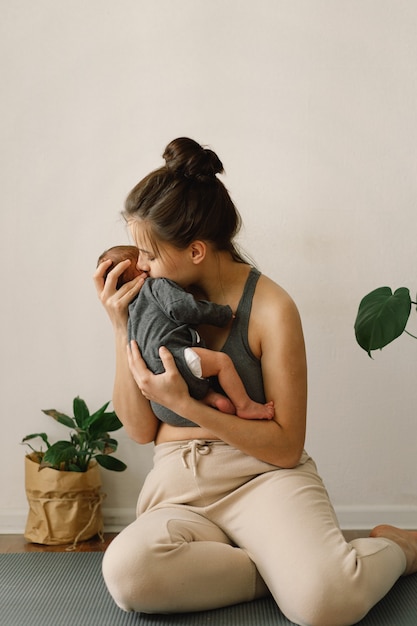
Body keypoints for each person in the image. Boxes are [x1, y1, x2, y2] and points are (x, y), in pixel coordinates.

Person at [94, 137, 417, 626]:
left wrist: (194, 407)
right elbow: (140, 430)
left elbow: (286, 447)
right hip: (179, 483)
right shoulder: (150, 303)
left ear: (196, 250)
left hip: (264, 476)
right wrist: (120, 326)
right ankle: (287, 568)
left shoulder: (271, 308)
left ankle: (395, 547)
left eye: (148, 254)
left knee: (328, 604)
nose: (138, 266)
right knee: (129, 573)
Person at [97, 245, 275, 420]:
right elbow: (183, 308)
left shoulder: (131, 313)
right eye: (145, 258)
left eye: (150, 256)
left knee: (197, 375)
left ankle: (210, 397)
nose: (145, 265)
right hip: (175, 358)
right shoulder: (156, 285)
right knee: (222, 363)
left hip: (156, 372)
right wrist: (222, 314)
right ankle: (245, 405)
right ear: (139, 273)